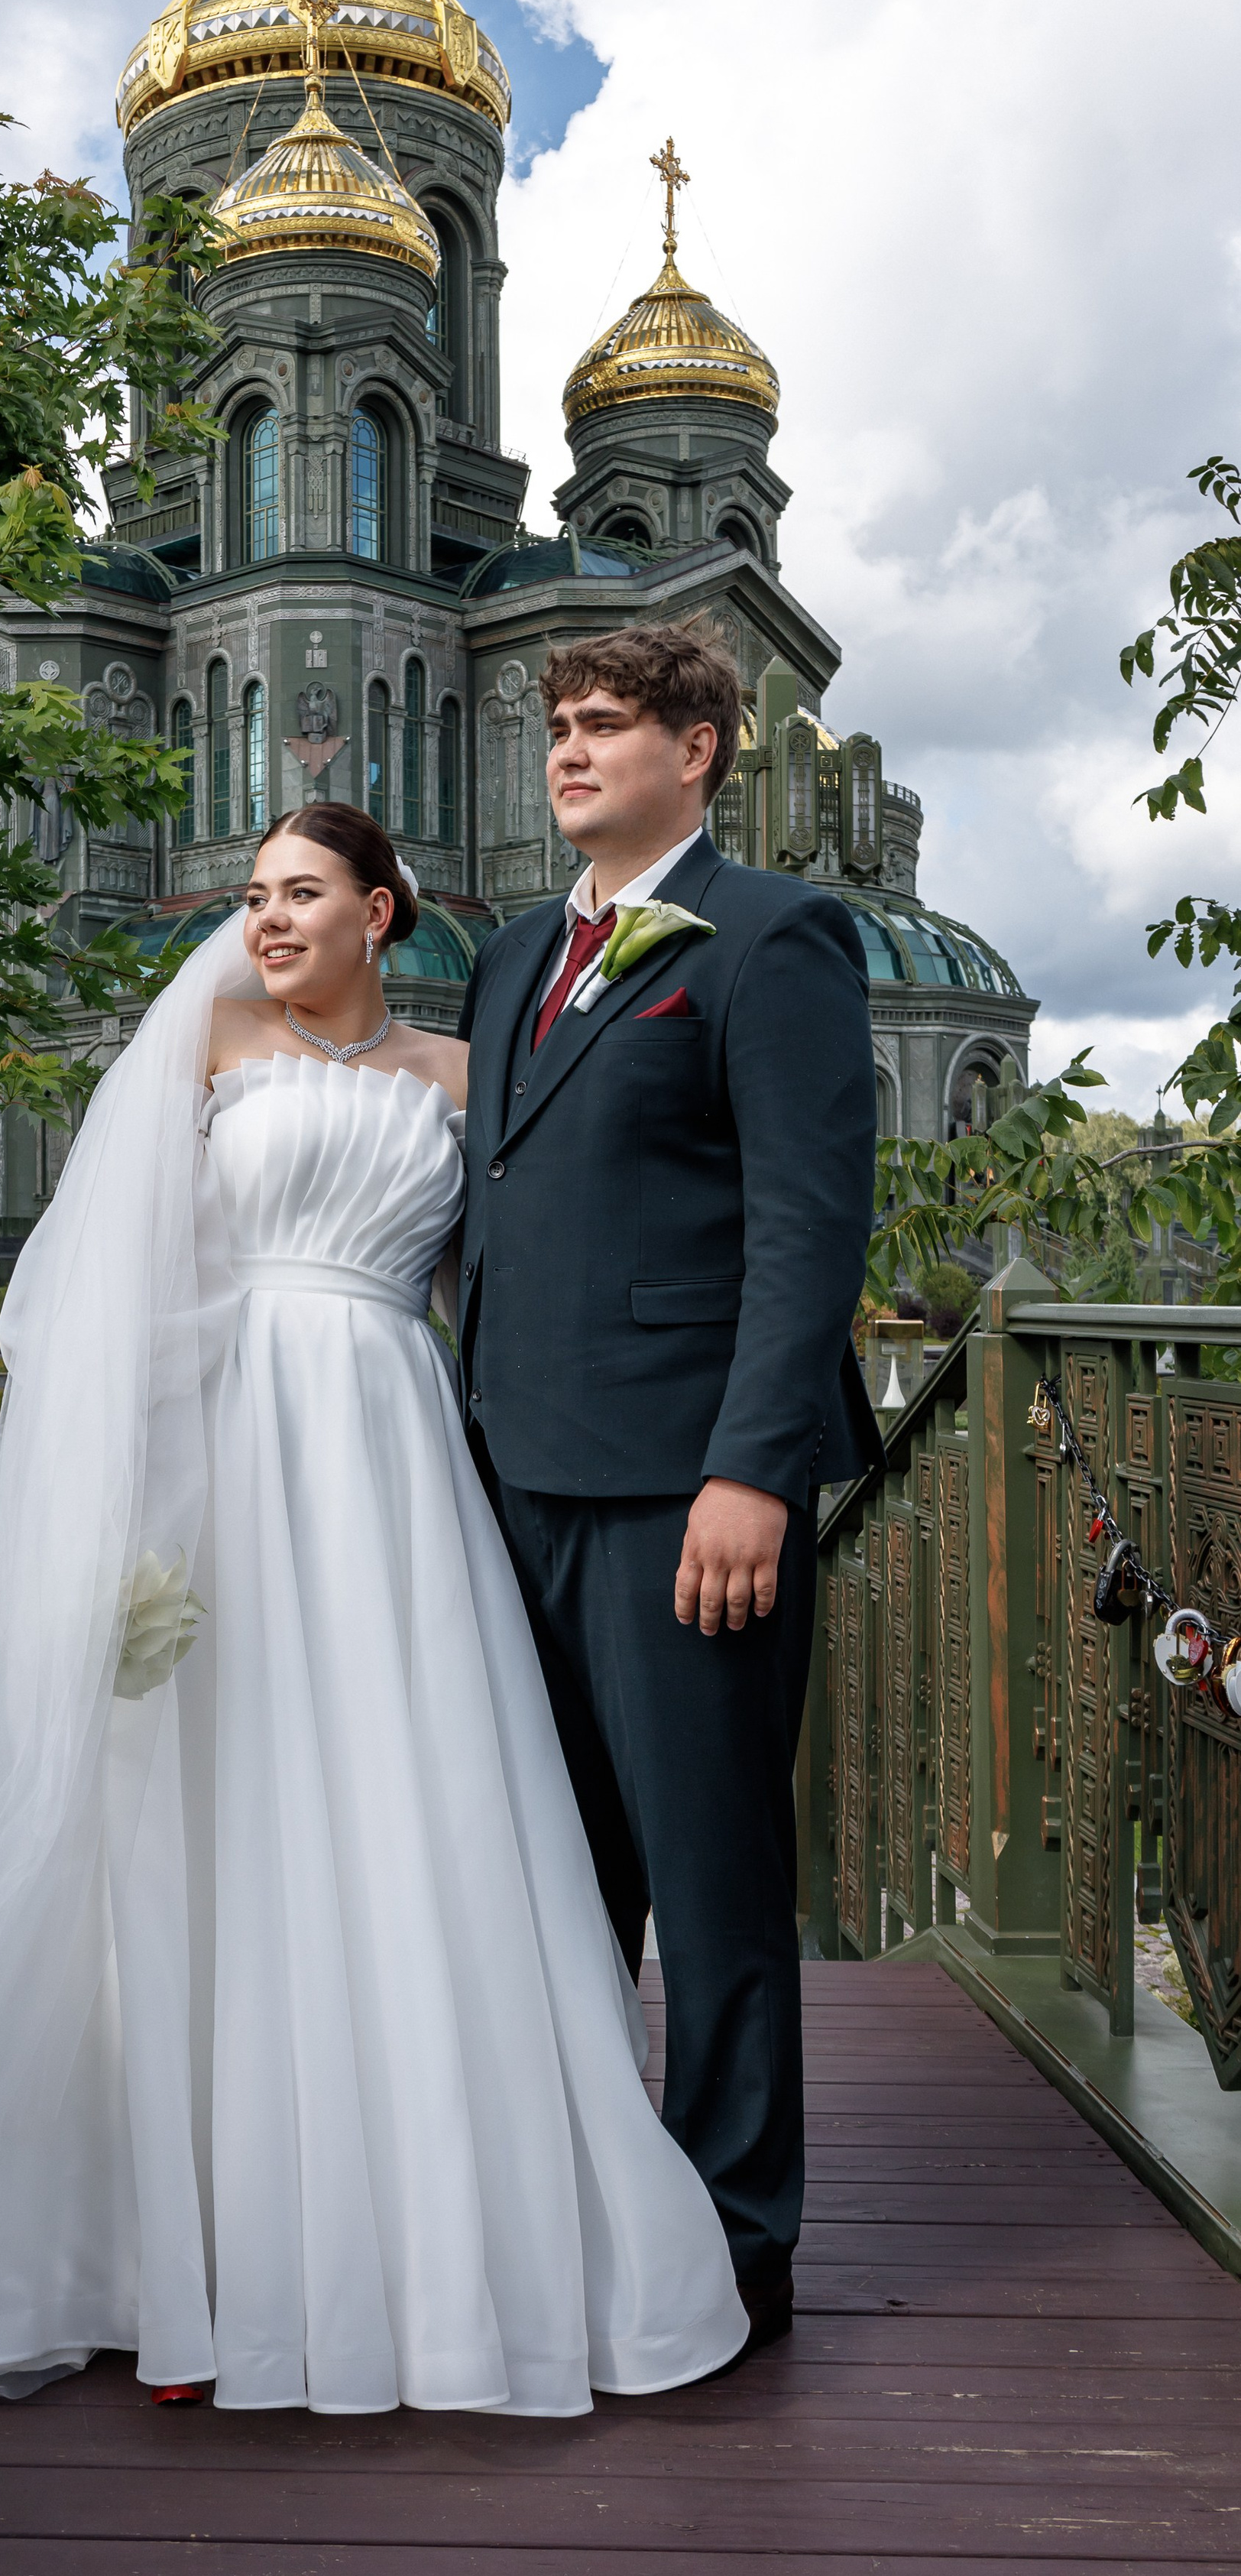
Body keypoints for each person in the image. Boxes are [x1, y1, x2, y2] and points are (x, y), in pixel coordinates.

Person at [0, 800, 748, 2412]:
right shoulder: (200, 1042)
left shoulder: (460, 1078)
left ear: (381, 908)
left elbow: (525, 1276)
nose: (268, 918)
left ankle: (421, 2246)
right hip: (226, 1458)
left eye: (303, 893)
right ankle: (173, 2245)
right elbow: (107, 1285)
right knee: (212, 1818)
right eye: (255, 893)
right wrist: (101, 1512)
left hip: (393, 1462)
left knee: (400, 1805)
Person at [456, 623, 880, 2349]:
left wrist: (751, 1474)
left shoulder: (776, 940)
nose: (568, 751)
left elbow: (803, 1227)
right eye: (556, 726)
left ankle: (728, 2237)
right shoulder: (503, 963)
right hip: (508, 1484)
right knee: (553, 1879)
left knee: (705, 1880)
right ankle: (574, 2198)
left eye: (606, 724)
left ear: (696, 750)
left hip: (682, 1494)